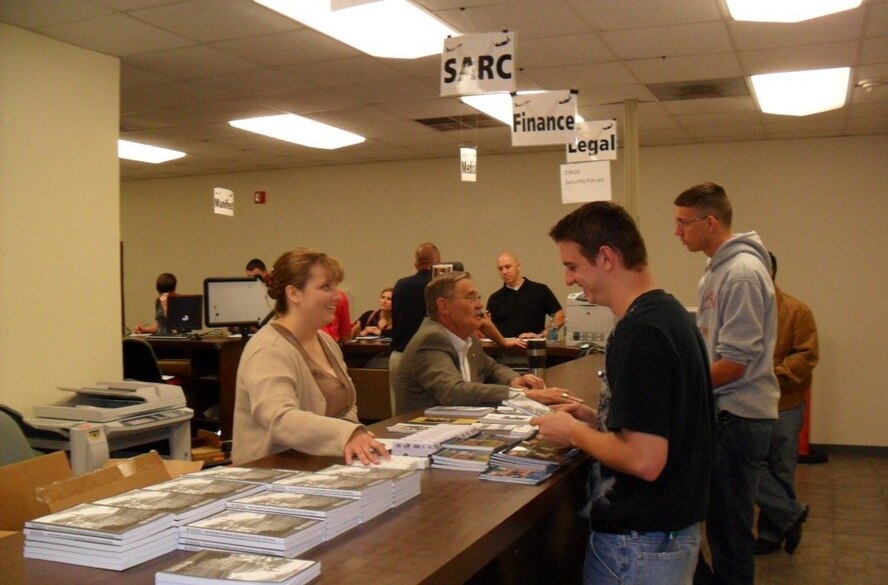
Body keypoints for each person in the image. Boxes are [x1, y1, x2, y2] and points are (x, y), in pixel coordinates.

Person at [531, 201, 713, 585]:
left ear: (607, 257)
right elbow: (663, 421)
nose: (568, 280)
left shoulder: (639, 333)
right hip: (666, 537)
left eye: (573, 266)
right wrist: (596, 419)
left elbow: (646, 460)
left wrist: (572, 432)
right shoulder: (670, 315)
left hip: (638, 548)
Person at [674, 182, 779, 585]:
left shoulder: (742, 273)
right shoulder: (717, 269)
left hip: (738, 417)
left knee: (730, 532)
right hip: (723, 412)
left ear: (711, 221)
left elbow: (735, 363)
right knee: (718, 526)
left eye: (684, 223)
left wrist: (681, 385)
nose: (677, 232)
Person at [231, 247, 388, 466]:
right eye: (326, 287)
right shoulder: (268, 348)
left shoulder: (326, 342)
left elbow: (346, 404)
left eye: (335, 286)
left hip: (320, 469)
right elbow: (279, 419)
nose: (337, 296)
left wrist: (354, 439)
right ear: (293, 293)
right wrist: (346, 434)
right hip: (271, 473)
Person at [391, 270, 581, 415]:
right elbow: (453, 392)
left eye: (478, 297)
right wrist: (524, 395)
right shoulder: (431, 339)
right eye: (470, 297)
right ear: (443, 305)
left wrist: (514, 380)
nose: (479, 305)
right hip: (422, 437)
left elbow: (491, 368)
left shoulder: (468, 335)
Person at [754, 252, 818, 555]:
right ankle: (791, 516)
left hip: (785, 405)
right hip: (750, 404)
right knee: (747, 464)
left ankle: (771, 535)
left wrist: (771, 374)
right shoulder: (742, 310)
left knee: (781, 469)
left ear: (768, 274)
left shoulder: (797, 311)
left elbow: (807, 356)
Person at [486, 252, 565, 339]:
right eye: (500, 269)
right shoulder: (495, 298)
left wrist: (542, 336)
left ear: (518, 266)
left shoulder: (540, 290)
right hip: (504, 347)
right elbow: (488, 327)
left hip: (534, 346)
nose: (504, 272)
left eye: (508, 267)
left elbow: (560, 317)